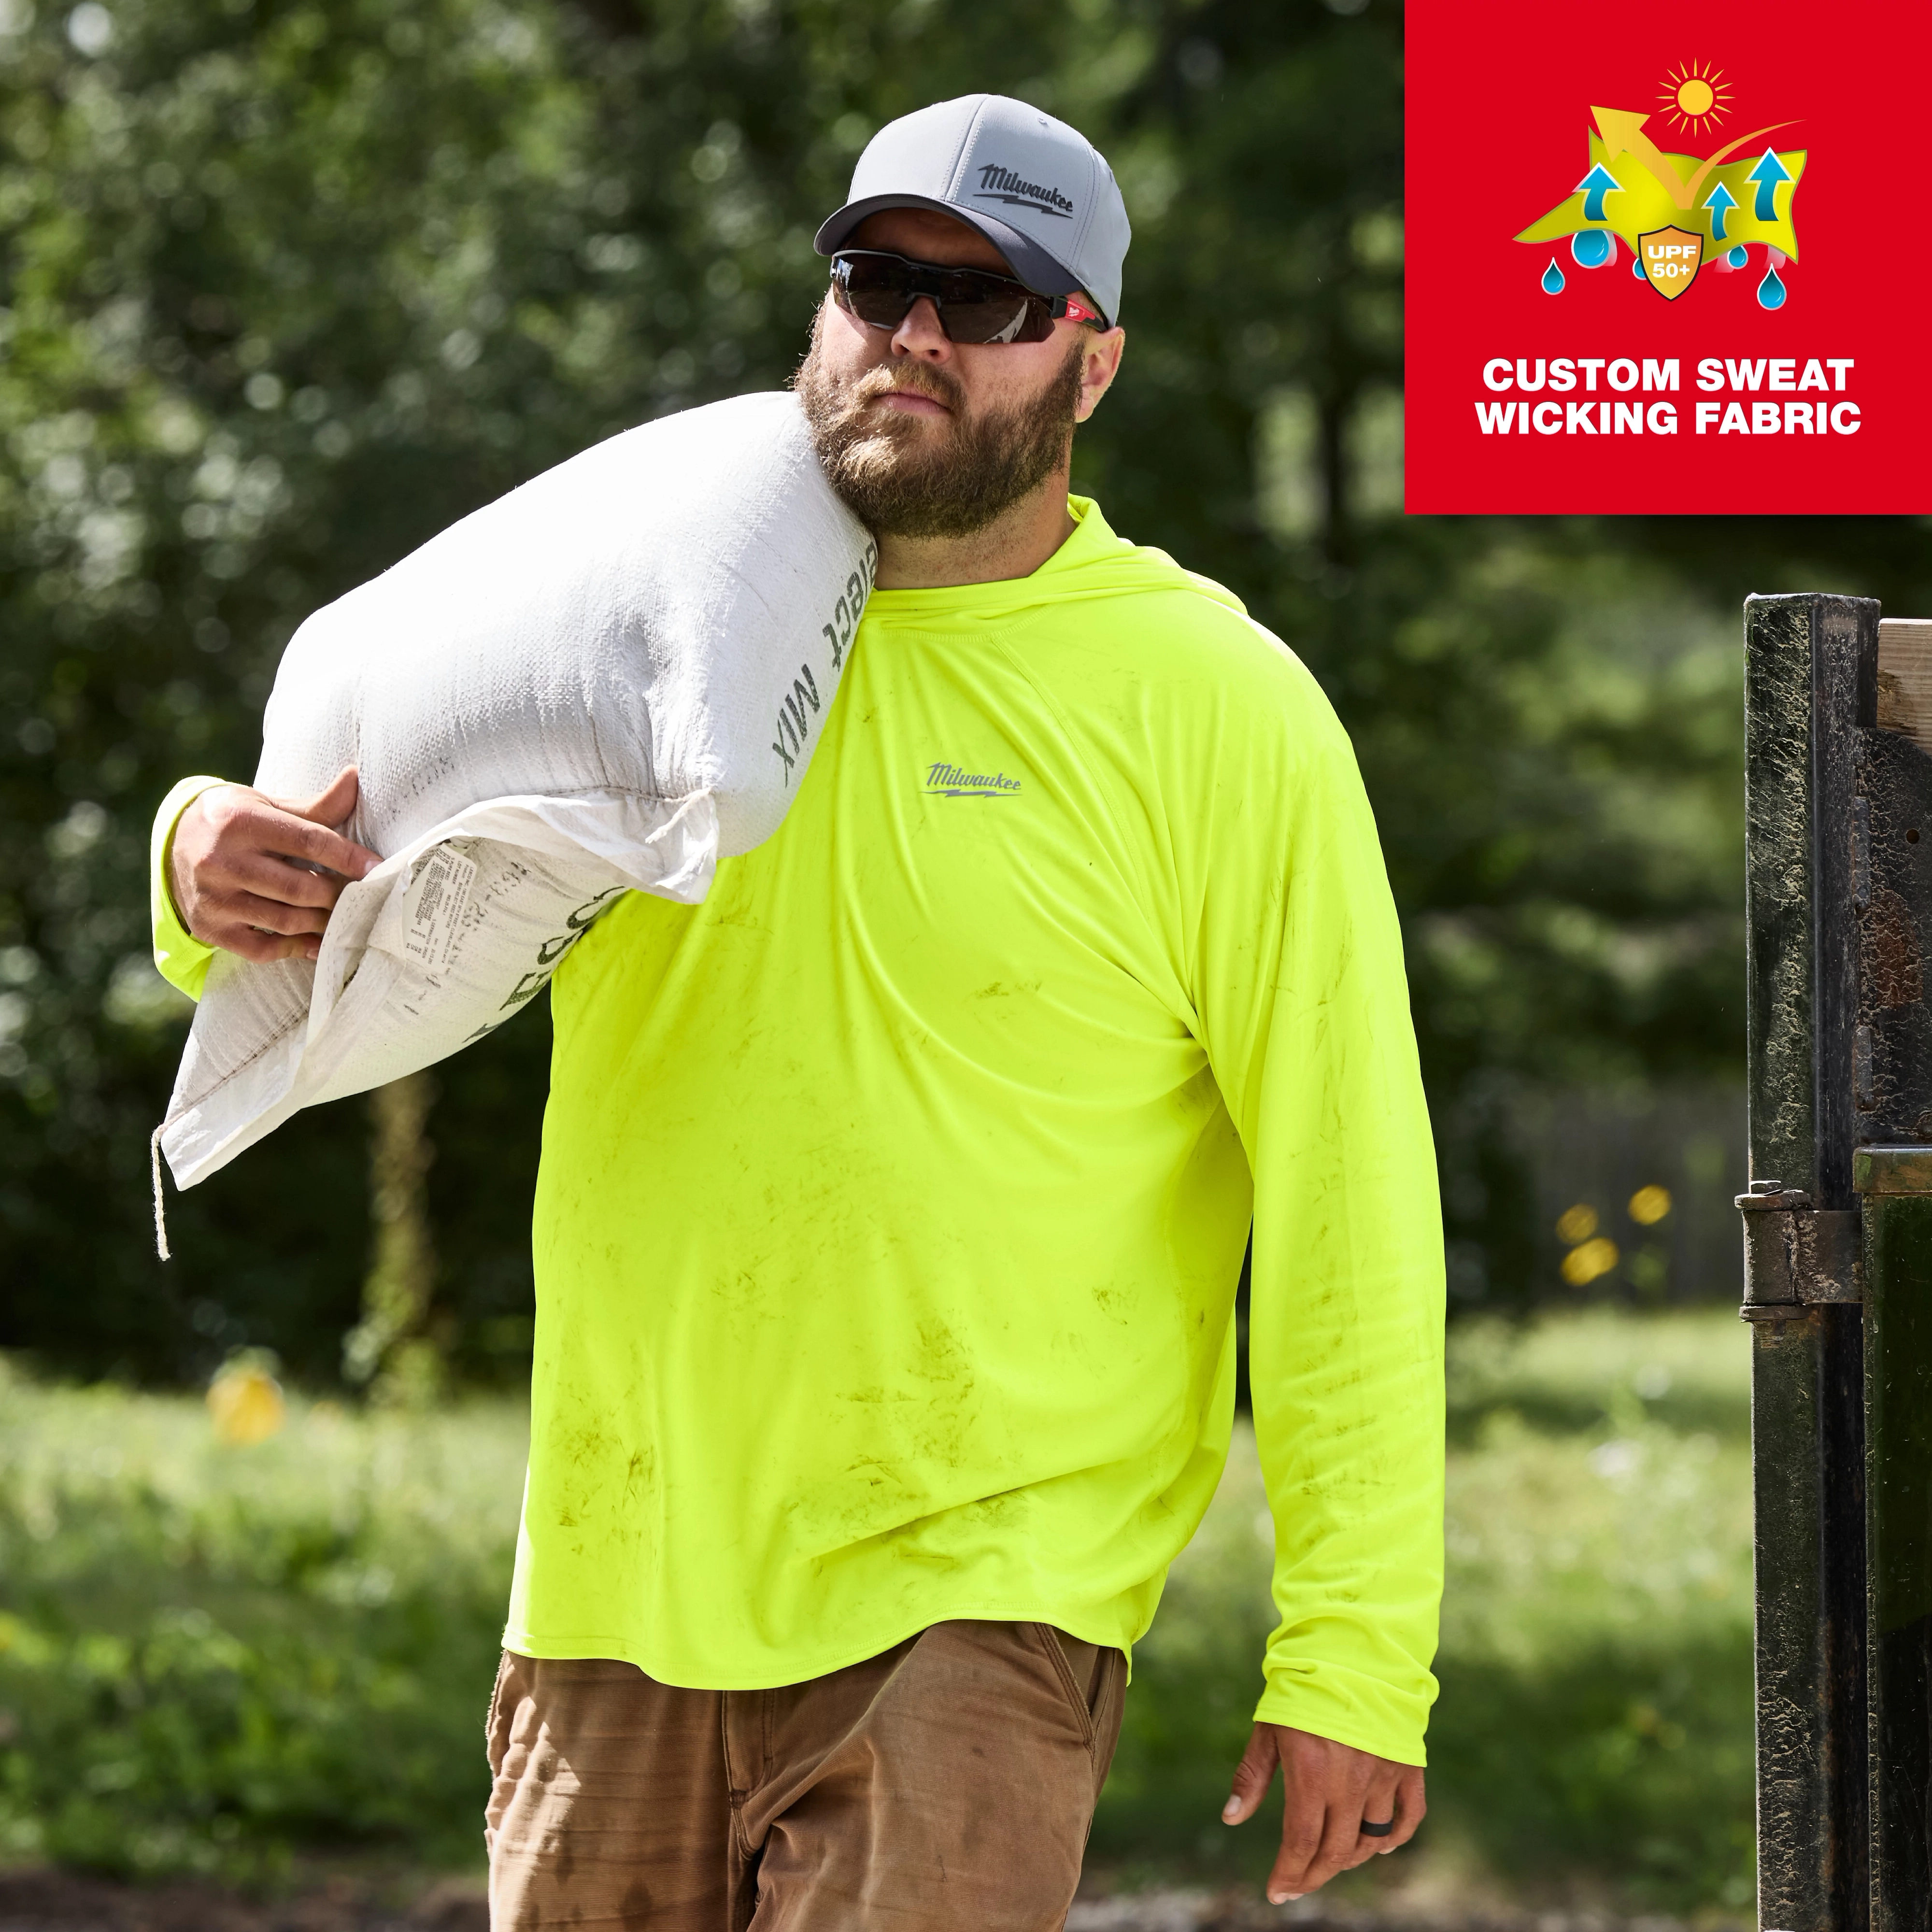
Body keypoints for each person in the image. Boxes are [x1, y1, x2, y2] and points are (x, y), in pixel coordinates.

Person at [151, 93, 1445, 1932]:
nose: (916, 332)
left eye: (989, 302)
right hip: (609, 1587)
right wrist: (195, 852)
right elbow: (336, 880)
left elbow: (1351, 1200)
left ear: (1093, 367)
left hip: (984, 1599)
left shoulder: (1218, 708)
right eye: (878, 280)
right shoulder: (642, 621)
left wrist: (1356, 1656)